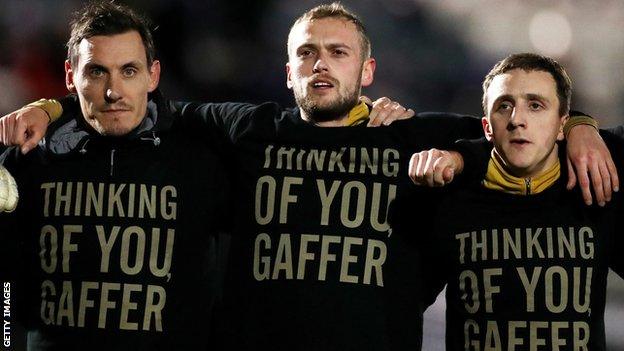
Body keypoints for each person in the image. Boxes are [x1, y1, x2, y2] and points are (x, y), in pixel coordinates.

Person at [0, 3, 616, 350]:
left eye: (338, 53)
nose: (321, 63)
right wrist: (49, 106)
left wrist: (582, 122)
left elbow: (515, 126)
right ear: (287, 71)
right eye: (306, 53)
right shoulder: (243, 128)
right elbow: (126, 105)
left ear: (368, 70)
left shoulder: (407, 134)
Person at [0, 2, 230, 350]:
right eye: (96, 72)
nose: (113, 92)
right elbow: (6, 286)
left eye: (129, 71)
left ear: (153, 75)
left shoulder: (201, 160)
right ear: (69, 76)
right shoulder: (29, 160)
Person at [393, 53, 624, 350]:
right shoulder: (448, 201)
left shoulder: (594, 191)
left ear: (561, 125)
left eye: (536, 105)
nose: (518, 120)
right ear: (487, 128)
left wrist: (585, 127)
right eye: (504, 106)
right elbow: (393, 306)